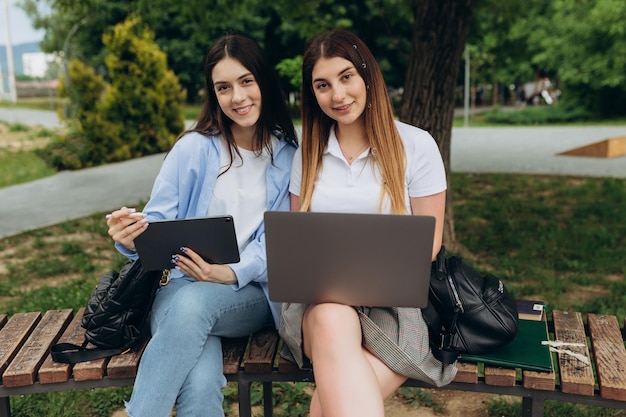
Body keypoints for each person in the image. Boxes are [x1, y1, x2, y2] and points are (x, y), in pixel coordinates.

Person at [105, 34, 297, 417]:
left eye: (246, 81)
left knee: (194, 306)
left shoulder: (290, 156)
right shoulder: (193, 148)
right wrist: (130, 236)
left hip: (249, 292)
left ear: (263, 82)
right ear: (213, 94)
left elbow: (278, 242)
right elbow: (157, 222)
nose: (237, 97)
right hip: (177, 289)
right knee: (202, 382)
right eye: (223, 87)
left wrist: (227, 272)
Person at [279, 29, 457, 417]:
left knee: (327, 404)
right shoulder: (307, 155)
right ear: (313, 94)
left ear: (367, 76)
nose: (338, 95)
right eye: (322, 85)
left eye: (346, 77)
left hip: (395, 306)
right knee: (330, 316)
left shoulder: (416, 145)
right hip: (319, 306)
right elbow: (299, 244)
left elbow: (426, 245)